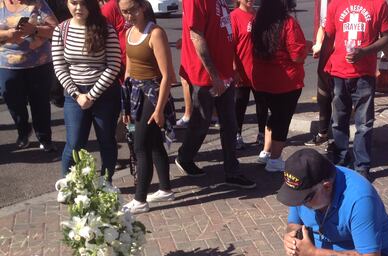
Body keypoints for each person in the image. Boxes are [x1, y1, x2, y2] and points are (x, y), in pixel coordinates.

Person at [177, 0, 255, 189]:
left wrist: (231, 68)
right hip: (205, 76)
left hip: (224, 73)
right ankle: (185, 157)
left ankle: (232, 171)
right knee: (201, 124)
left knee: (230, 124)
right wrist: (214, 76)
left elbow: (223, 33)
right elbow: (196, 35)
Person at [319, 0, 388, 181]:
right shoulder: (336, 3)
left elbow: (386, 36)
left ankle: (362, 167)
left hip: (364, 75)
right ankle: (340, 162)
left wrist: (365, 51)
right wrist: (322, 68)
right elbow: (329, 37)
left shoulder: (378, 4)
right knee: (338, 121)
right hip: (339, 72)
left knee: (364, 124)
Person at [52, 0, 122, 181]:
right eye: (73, 3)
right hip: (74, 94)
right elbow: (60, 67)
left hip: (104, 93)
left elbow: (114, 65)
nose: (78, 8)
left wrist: (91, 95)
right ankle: (69, 182)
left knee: (106, 140)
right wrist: (77, 94)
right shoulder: (61, 30)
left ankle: (106, 181)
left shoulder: (105, 28)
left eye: (83, 4)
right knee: (74, 142)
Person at [119, 0, 176, 214]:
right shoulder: (128, 33)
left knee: (140, 146)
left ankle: (140, 200)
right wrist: (125, 105)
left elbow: (167, 76)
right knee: (153, 144)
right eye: (124, 12)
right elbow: (129, 69)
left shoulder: (156, 33)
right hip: (135, 93)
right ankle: (165, 189)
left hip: (153, 93)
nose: (129, 15)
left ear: (142, 7)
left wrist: (159, 109)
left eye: (132, 10)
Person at [251, 0, 306, 172]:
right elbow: (297, 56)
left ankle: (267, 152)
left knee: (273, 116)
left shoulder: (257, 22)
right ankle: (275, 159)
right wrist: (308, 47)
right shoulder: (288, 23)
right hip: (286, 82)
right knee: (282, 120)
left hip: (261, 81)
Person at [0, 0, 57, 151]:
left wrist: (35, 29)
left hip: (39, 63)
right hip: (7, 63)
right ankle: (23, 131)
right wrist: (6, 34)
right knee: (14, 104)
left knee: (40, 103)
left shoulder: (38, 3)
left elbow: (56, 29)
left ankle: (44, 137)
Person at [230, 0, 267, 150]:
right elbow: (230, 45)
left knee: (262, 104)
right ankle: (237, 134)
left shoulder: (258, 16)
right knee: (239, 104)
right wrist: (234, 70)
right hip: (242, 71)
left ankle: (261, 133)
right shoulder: (234, 16)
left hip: (258, 70)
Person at [304, 0, 331, 148]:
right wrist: (318, 42)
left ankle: (338, 139)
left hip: (340, 54)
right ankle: (323, 133)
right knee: (323, 95)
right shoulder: (321, 2)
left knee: (340, 97)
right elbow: (322, 25)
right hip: (324, 52)